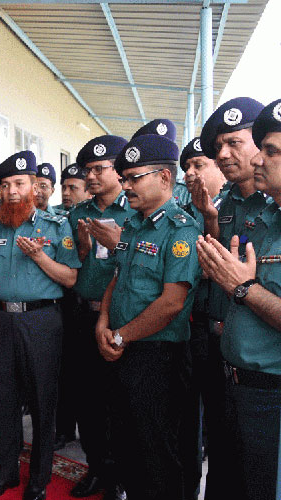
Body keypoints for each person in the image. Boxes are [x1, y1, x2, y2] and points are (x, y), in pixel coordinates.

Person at [97, 133, 201, 500]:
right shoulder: (135, 224)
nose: (125, 187)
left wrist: (121, 335)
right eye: (123, 179)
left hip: (158, 357)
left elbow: (173, 302)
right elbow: (117, 277)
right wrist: (102, 323)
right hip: (122, 347)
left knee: (158, 451)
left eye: (133, 178)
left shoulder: (181, 229)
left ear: (165, 178)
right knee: (127, 444)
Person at [0, 150, 81, 500]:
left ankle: (39, 478)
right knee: (2, 400)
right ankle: (5, 473)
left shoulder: (55, 226)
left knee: (42, 401)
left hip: (41, 321)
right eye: (4, 185)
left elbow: (69, 278)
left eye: (18, 183)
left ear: (35, 186)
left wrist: (39, 256)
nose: (11, 192)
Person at [196, 97, 281, 500]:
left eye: (271, 150)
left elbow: (243, 285)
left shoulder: (267, 210)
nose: (259, 160)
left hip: (269, 385)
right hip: (232, 369)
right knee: (229, 475)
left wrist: (243, 288)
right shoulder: (264, 216)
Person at [67, 135, 132, 500]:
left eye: (98, 169)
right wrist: (80, 248)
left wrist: (119, 241)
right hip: (82, 315)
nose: (90, 176)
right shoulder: (78, 214)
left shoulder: (134, 209)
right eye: (86, 170)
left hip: (122, 320)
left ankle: (122, 474)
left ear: (117, 170)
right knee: (87, 401)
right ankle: (97, 469)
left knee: (119, 402)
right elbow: (71, 266)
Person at [177, 136, 228, 500]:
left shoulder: (236, 207)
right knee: (185, 423)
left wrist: (211, 221)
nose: (191, 174)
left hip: (225, 334)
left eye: (199, 165)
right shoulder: (182, 213)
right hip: (189, 327)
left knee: (223, 427)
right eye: (187, 169)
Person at [54, 161, 92, 452]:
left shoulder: (94, 220)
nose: (66, 193)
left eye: (73, 188)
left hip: (94, 307)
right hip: (66, 305)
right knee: (66, 371)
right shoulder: (60, 220)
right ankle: (64, 428)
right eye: (64, 187)